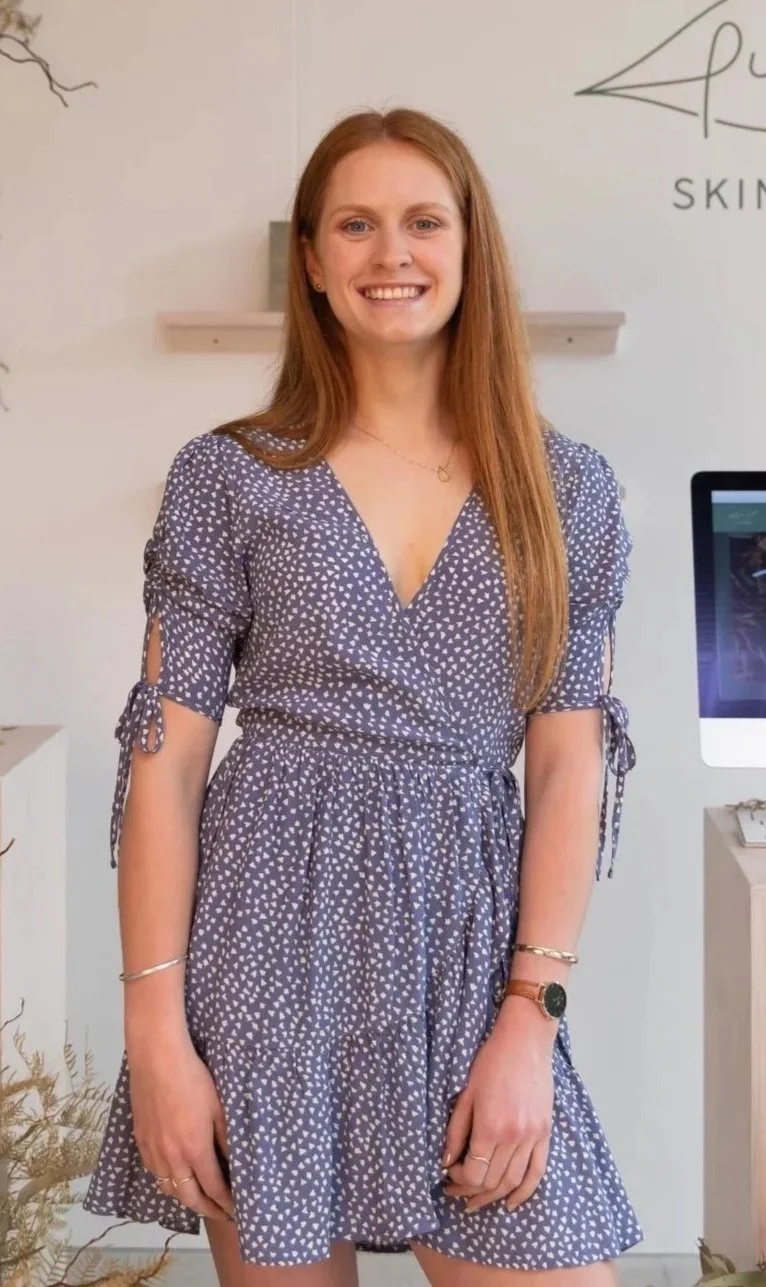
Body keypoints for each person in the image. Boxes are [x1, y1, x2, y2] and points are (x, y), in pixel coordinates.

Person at [82, 106, 643, 1285]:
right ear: (312, 260)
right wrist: (156, 1034)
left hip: (469, 964)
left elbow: (566, 767)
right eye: (355, 225)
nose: (392, 254)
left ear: (470, 245)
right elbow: (164, 765)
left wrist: (531, 1016)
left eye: (423, 222)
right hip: (262, 952)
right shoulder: (231, 476)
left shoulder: (566, 491)